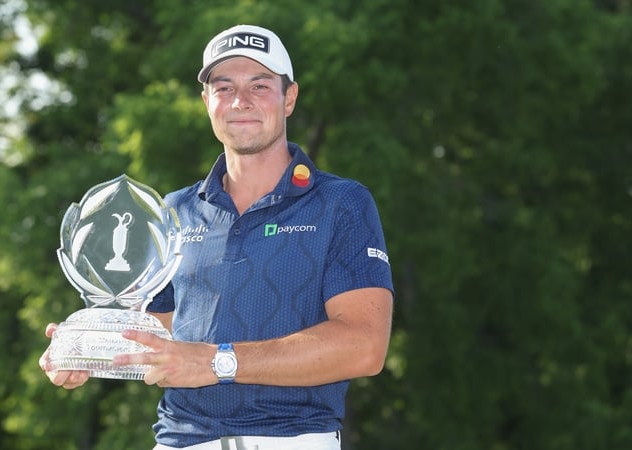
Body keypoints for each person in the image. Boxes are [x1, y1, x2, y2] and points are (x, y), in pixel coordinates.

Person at [40, 24, 394, 450]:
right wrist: (86, 348)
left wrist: (217, 362)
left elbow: (364, 346)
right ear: (207, 101)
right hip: (178, 441)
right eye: (224, 87)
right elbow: (161, 332)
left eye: (259, 85)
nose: (240, 101)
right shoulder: (175, 210)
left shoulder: (341, 203)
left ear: (290, 98)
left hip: (293, 440)